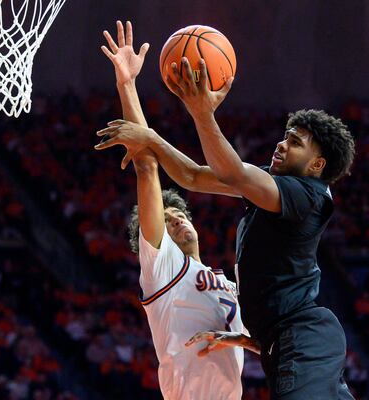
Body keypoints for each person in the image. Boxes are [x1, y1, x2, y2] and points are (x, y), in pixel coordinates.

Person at [96, 50, 356, 400]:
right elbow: (190, 175)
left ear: (316, 165)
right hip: (283, 343)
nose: (281, 144)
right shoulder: (173, 265)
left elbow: (228, 170)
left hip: (302, 336)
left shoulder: (307, 195)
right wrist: (251, 339)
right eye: (286, 136)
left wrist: (200, 114)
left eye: (295, 143)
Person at [95, 21, 251, 400]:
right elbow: (146, 165)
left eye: (179, 214)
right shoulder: (162, 265)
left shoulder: (227, 281)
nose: (177, 218)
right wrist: (127, 84)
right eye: (166, 220)